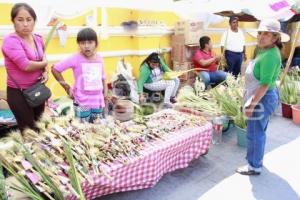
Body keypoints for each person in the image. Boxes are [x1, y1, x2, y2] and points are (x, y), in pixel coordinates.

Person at [236, 19, 290, 175]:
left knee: (254, 133)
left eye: (266, 34)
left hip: (262, 98)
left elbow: (265, 85)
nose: (261, 36)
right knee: (258, 130)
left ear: (275, 38)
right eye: (259, 33)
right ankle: (257, 159)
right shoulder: (264, 51)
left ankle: (254, 166)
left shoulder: (270, 55)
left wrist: (252, 105)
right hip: (261, 96)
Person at [1, 3, 48, 133]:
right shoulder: (10, 41)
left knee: (39, 126)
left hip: (37, 90)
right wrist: (44, 63)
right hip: (18, 93)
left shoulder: (38, 39)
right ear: (13, 21)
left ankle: (40, 153)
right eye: (20, 20)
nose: (25, 24)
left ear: (34, 21)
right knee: (29, 131)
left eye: (29, 19)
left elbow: (42, 58)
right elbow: (26, 65)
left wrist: (45, 71)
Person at [52, 28, 107, 123]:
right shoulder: (75, 58)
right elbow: (55, 69)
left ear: (96, 43)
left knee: (97, 128)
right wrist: (67, 87)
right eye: (82, 43)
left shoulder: (99, 58)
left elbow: (103, 78)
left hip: (97, 101)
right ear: (79, 44)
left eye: (90, 42)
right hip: (82, 102)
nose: (86, 46)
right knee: (83, 129)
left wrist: (105, 94)